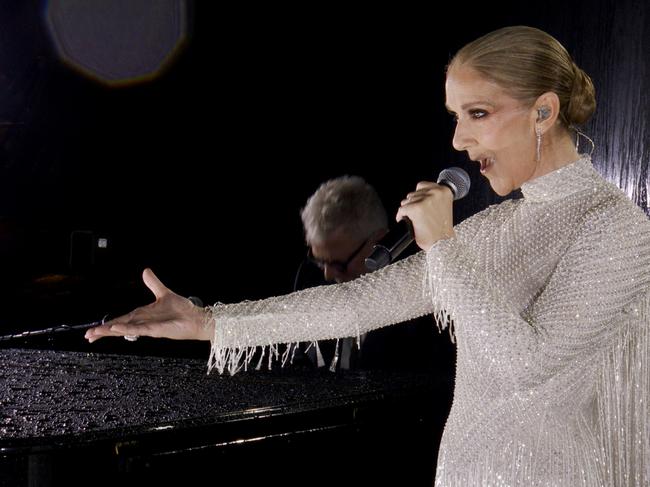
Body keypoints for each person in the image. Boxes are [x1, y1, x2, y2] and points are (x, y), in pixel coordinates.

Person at [86, 26, 650, 486]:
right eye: (455, 117)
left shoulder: (614, 227)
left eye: (476, 114)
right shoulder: (499, 226)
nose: (457, 140)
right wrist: (209, 322)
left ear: (544, 113)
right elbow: (358, 304)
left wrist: (444, 247)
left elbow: (527, 366)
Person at [297, 174, 449, 373]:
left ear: (379, 241)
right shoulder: (309, 279)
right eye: (320, 261)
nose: (326, 274)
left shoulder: (424, 308)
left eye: (339, 264)